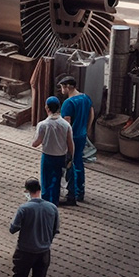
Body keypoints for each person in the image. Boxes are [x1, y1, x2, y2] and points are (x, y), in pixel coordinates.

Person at [8, 178, 60, 277]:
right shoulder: (52, 208)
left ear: (27, 191)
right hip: (43, 253)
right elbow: (56, 230)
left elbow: (13, 228)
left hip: (24, 252)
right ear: (40, 189)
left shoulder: (24, 208)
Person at [31, 96, 75, 205]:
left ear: (47, 108)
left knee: (46, 181)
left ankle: (45, 203)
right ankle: (54, 203)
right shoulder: (66, 125)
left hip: (47, 156)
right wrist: (71, 157)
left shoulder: (43, 125)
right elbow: (70, 143)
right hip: (61, 157)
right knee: (57, 182)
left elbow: (35, 143)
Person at [58, 76, 94, 206]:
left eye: (62, 87)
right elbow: (91, 114)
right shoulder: (85, 98)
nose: (61, 90)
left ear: (67, 87)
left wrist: (63, 139)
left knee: (70, 163)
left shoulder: (69, 103)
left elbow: (66, 123)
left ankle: (72, 192)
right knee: (79, 162)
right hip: (82, 135)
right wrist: (86, 129)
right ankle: (81, 190)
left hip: (72, 137)